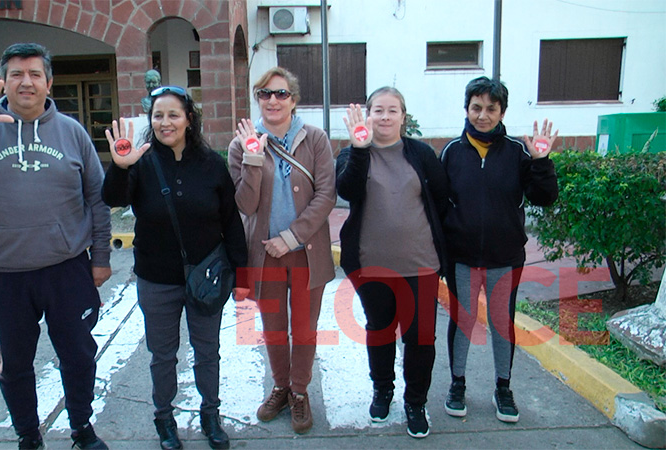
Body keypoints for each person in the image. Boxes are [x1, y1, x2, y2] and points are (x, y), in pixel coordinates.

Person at [0, 43, 111, 450]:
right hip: (3, 275)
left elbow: (97, 198)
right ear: (5, 82)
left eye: (34, 74)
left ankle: (82, 427)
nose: (25, 81)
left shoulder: (73, 132)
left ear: (49, 82)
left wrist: (100, 258)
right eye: (15, 74)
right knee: (13, 365)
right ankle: (28, 434)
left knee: (78, 357)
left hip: (67, 269)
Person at [102, 85, 247, 450]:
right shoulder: (141, 161)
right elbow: (114, 199)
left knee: (207, 350)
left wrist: (240, 274)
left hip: (206, 277)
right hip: (156, 279)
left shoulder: (211, 163)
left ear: (189, 119)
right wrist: (120, 168)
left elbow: (231, 221)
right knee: (163, 354)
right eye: (158, 115)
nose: (165, 122)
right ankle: (164, 419)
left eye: (173, 115)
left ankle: (210, 414)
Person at [440, 76, 558, 424]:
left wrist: (542, 161)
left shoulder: (519, 153)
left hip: (505, 260)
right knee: (462, 320)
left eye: (491, 108)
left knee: (501, 323)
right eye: (476, 107)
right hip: (461, 259)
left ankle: (503, 388)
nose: (483, 115)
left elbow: (545, 197)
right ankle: (457, 384)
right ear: (467, 109)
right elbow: (439, 205)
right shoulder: (450, 153)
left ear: (501, 112)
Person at [228, 67, 336, 435]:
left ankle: (300, 391)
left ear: (294, 99)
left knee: (304, 328)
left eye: (281, 93)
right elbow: (244, 204)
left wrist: (292, 237)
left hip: (306, 252)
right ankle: (280, 386)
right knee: (274, 328)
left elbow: (326, 195)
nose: (273, 100)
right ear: (257, 99)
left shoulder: (316, 139)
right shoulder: (239, 144)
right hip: (263, 254)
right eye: (265, 93)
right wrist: (253, 158)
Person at [336, 87, 448, 438]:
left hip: (421, 264)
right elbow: (348, 191)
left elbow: (441, 198)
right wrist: (358, 149)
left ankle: (415, 401)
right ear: (368, 115)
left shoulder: (421, 153)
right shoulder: (352, 152)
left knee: (420, 337)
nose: (384, 117)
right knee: (380, 330)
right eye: (378, 110)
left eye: (392, 110)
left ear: (403, 116)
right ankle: (382, 389)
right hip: (371, 264)